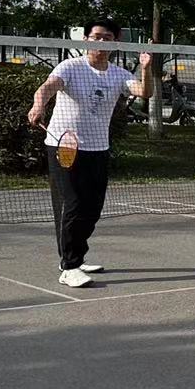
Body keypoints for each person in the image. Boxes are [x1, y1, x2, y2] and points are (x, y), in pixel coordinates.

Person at [27, 19, 154, 287]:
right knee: (72, 204)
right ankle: (69, 266)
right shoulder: (70, 67)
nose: (100, 42)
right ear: (86, 40)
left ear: (115, 43)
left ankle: (76, 256)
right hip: (64, 145)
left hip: (98, 148)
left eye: (107, 38)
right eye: (96, 37)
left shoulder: (118, 74)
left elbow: (145, 92)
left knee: (92, 208)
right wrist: (39, 105)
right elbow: (47, 87)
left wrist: (146, 68)